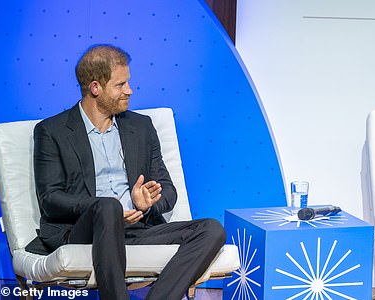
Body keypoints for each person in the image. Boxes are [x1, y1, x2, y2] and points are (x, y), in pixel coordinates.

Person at [26, 44, 226, 300]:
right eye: (121, 85)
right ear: (95, 87)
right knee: (108, 207)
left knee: (212, 229)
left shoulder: (141, 127)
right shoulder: (51, 131)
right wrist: (104, 209)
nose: (129, 91)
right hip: (84, 231)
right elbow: (51, 200)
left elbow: (168, 189)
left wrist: (147, 204)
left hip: (137, 229)